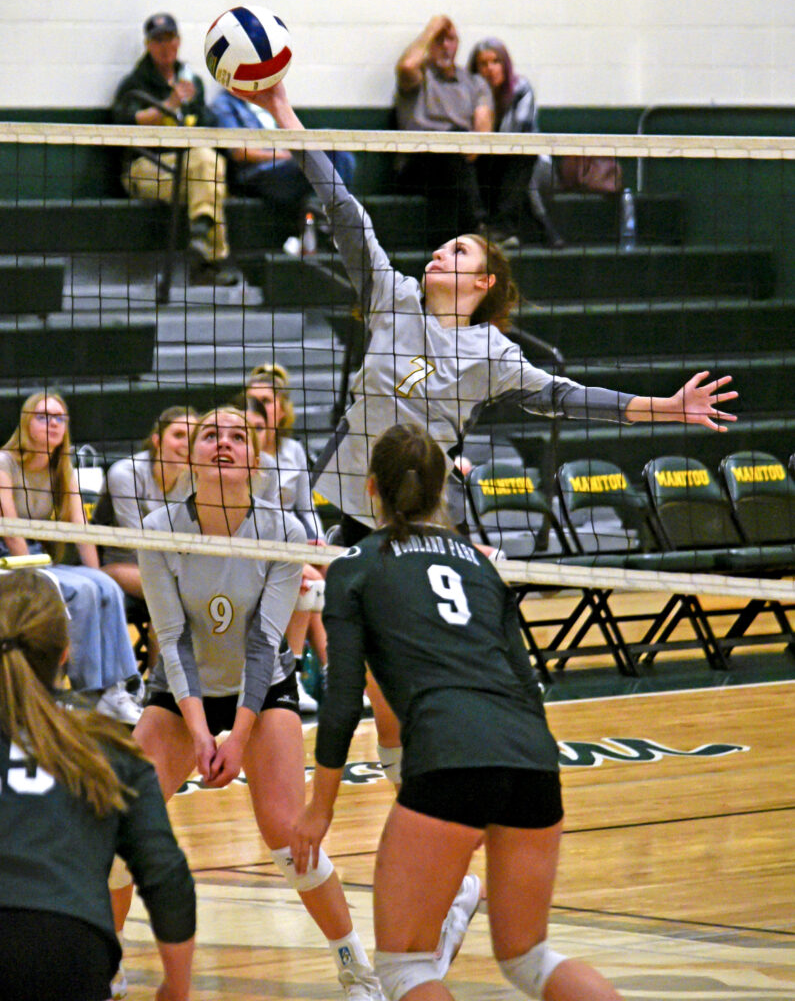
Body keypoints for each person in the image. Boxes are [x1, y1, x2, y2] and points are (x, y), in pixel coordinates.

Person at [235, 75, 737, 798]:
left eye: (460, 253)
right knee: (343, 664)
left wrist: (665, 407)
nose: (441, 254)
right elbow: (343, 210)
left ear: (484, 284)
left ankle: (452, 787)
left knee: (411, 676)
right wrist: (281, 110)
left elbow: (567, 399)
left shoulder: (493, 354)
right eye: (442, 247)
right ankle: (382, 801)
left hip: (421, 519)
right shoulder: (391, 296)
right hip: (343, 508)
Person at [291, 422, 624, 1001]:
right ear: (443, 489)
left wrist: (319, 809)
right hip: (531, 756)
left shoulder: (354, 564)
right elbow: (526, 679)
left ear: (371, 488)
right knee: (529, 957)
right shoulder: (480, 562)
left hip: (449, 755)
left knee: (406, 969)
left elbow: (343, 699)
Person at [112, 407, 384, 1001]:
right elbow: (172, 639)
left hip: (260, 691)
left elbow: (265, 643)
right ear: (189, 453)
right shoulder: (159, 525)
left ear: (254, 459)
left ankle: (356, 968)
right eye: (211, 434)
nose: (224, 444)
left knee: (289, 835)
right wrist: (199, 730)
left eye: (239, 436)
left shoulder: (283, 529)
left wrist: (234, 736)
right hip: (179, 690)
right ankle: (103, 969)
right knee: (115, 826)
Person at [0, 567, 195, 1001]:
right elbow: (167, 875)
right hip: (70, 950)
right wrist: (176, 987)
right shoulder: (107, 747)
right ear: (66, 651)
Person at [0, 392, 143, 724]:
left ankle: (116, 688)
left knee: (104, 586)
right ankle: (87, 692)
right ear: (25, 421)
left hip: (35, 555)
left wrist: (99, 574)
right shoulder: (2, 463)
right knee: (82, 591)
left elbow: (81, 531)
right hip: (2, 558)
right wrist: (36, 575)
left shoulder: (63, 468)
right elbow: (10, 530)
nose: (53, 424)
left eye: (60, 418)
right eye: (43, 416)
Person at [111, 13, 238, 287]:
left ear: (178, 41)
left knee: (208, 165)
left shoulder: (192, 82)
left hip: (188, 165)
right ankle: (207, 258)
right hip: (145, 167)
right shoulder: (134, 83)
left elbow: (207, 125)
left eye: (169, 39)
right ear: (147, 45)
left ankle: (201, 241)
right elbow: (126, 121)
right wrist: (169, 104)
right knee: (210, 172)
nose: (164, 46)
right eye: (157, 40)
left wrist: (194, 109)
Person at [246, 364, 328, 711]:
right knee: (307, 581)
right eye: (253, 400)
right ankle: (313, 673)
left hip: (291, 537)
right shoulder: (244, 453)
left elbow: (306, 507)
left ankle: (326, 672)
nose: (259, 407)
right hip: (261, 544)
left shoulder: (293, 451)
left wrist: (321, 544)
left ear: (282, 407)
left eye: (266, 400)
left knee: (329, 570)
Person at [210, 88, 356, 253]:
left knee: (339, 153)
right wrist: (285, 155)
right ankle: (334, 223)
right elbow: (239, 152)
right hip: (256, 175)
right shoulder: (224, 104)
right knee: (321, 161)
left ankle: (333, 219)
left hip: (285, 166)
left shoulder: (264, 101)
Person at [394, 15, 494, 239]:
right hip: (419, 164)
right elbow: (407, 65)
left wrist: (468, 146)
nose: (445, 46)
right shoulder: (419, 77)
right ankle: (478, 229)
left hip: (461, 158)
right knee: (454, 140)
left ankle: (504, 228)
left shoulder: (474, 83)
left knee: (520, 154)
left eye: (451, 40)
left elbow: (482, 131)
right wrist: (432, 28)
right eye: (439, 40)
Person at [468, 38, 565, 249]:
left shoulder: (521, 88)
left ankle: (540, 227)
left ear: (505, 64)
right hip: (493, 163)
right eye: (483, 64)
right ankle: (501, 230)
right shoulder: (471, 92)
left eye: (495, 61)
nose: (490, 69)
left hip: (533, 161)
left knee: (525, 172)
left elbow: (515, 137)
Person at [100, 406, 197, 600]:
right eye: (179, 435)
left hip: (171, 569)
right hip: (122, 565)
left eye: (194, 438)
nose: (187, 444)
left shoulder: (196, 479)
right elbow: (138, 545)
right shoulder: (126, 474)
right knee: (177, 594)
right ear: (157, 441)